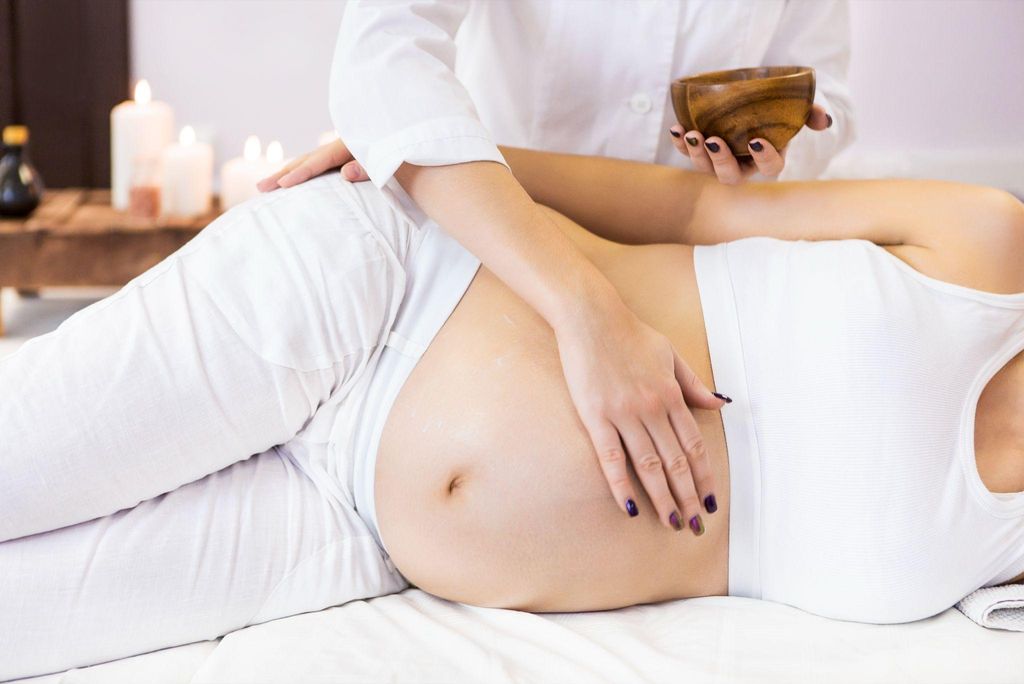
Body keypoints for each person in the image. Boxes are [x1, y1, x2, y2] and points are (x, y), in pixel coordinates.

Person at [2, 144, 1021, 680]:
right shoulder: (986, 250)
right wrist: (427, 150)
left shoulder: (1005, 556)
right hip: (371, 298)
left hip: (357, 544)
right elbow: (695, 210)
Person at [257, 0, 855, 537]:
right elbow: (386, 51)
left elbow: (825, 87)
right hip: (485, 234)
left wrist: (784, 137)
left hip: (672, 260)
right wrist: (584, 308)